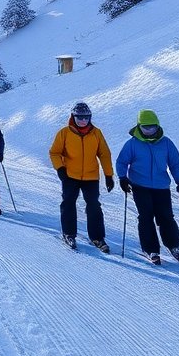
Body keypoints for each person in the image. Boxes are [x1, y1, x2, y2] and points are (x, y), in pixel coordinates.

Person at [116, 109, 179, 264]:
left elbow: (175, 163)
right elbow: (122, 162)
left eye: (152, 127)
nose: (149, 131)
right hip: (140, 186)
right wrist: (123, 178)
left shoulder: (166, 143)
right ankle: (151, 249)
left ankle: (174, 246)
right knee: (146, 217)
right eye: (145, 127)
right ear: (139, 126)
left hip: (161, 187)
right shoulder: (133, 144)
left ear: (158, 126)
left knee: (166, 217)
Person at [48, 102, 113, 252]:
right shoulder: (64, 133)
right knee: (68, 202)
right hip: (70, 175)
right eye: (79, 118)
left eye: (86, 118)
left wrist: (108, 175)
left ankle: (97, 237)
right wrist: (60, 168)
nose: (83, 121)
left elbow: (104, 154)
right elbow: (55, 152)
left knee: (94, 205)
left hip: (91, 176)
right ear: (73, 117)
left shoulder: (96, 133)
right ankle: (69, 233)